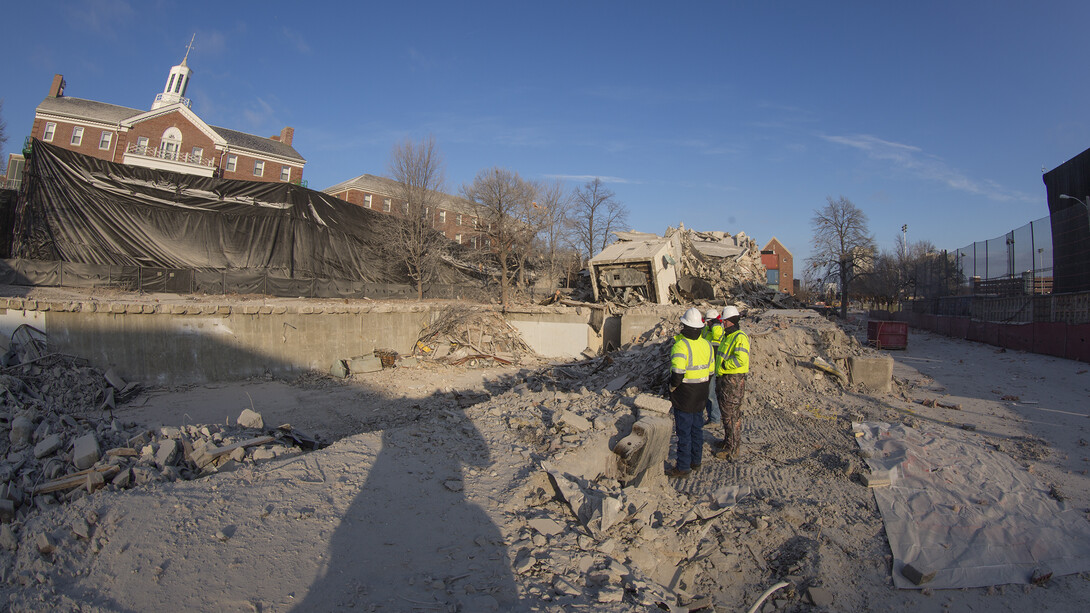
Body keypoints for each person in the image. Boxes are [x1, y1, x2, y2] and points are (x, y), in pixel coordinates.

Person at [665, 307, 714, 478]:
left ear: (685, 326)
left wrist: (671, 387)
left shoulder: (680, 345)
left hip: (685, 394)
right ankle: (696, 461)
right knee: (697, 429)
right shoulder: (707, 344)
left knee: (684, 432)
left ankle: (683, 467)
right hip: (701, 393)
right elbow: (711, 371)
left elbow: (677, 373)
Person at [713, 305, 750, 461]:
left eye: (725, 321)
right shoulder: (728, 336)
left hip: (732, 379)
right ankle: (728, 441)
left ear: (731, 321)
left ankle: (732, 449)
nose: (723, 323)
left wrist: (724, 366)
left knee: (732, 416)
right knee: (726, 415)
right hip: (725, 379)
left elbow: (741, 359)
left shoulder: (739, 337)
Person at [702, 309, 725, 426]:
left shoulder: (718, 330)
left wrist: (715, 324)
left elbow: (717, 334)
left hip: (714, 368)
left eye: (709, 322)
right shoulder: (707, 331)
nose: (707, 324)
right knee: (707, 393)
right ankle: (712, 417)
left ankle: (715, 419)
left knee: (711, 394)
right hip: (707, 367)